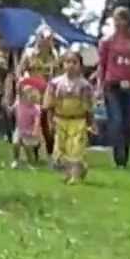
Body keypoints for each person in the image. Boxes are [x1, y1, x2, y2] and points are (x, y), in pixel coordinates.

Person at [97, 6, 130, 168]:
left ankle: (124, 158)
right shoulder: (107, 42)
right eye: (115, 19)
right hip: (112, 85)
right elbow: (101, 66)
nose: (118, 23)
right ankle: (118, 158)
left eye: (121, 19)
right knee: (116, 120)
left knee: (128, 122)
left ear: (128, 20)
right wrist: (99, 87)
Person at [45, 49, 94, 184]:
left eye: (74, 62)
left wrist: (91, 123)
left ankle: (75, 176)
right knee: (61, 149)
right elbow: (49, 105)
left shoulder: (85, 85)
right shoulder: (55, 83)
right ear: (62, 64)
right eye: (67, 62)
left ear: (80, 65)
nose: (71, 65)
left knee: (76, 148)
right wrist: (50, 122)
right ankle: (70, 172)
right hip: (60, 119)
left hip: (78, 120)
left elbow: (88, 107)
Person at [19, 25, 61, 153]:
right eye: (43, 38)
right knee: (32, 120)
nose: (46, 41)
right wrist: (24, 85)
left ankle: (50, 151)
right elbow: (20, 71)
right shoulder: (29, 53)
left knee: (47, 122)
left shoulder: (54, 55)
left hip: (48, 91)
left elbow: (58, 74)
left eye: (49, 39)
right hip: (31, 92)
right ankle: (33, 151)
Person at [11, 75, 46, 168]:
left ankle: (31, 163)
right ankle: (16, 160)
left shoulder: (35, 108)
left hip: (29, 130)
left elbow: (37, 120)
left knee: (28, 148)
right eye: (26, 94)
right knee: (15, 143)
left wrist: (35, 129)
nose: (29, 96)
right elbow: (12, 110)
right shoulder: (18, 103)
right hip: (19, 129)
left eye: (31, 94)